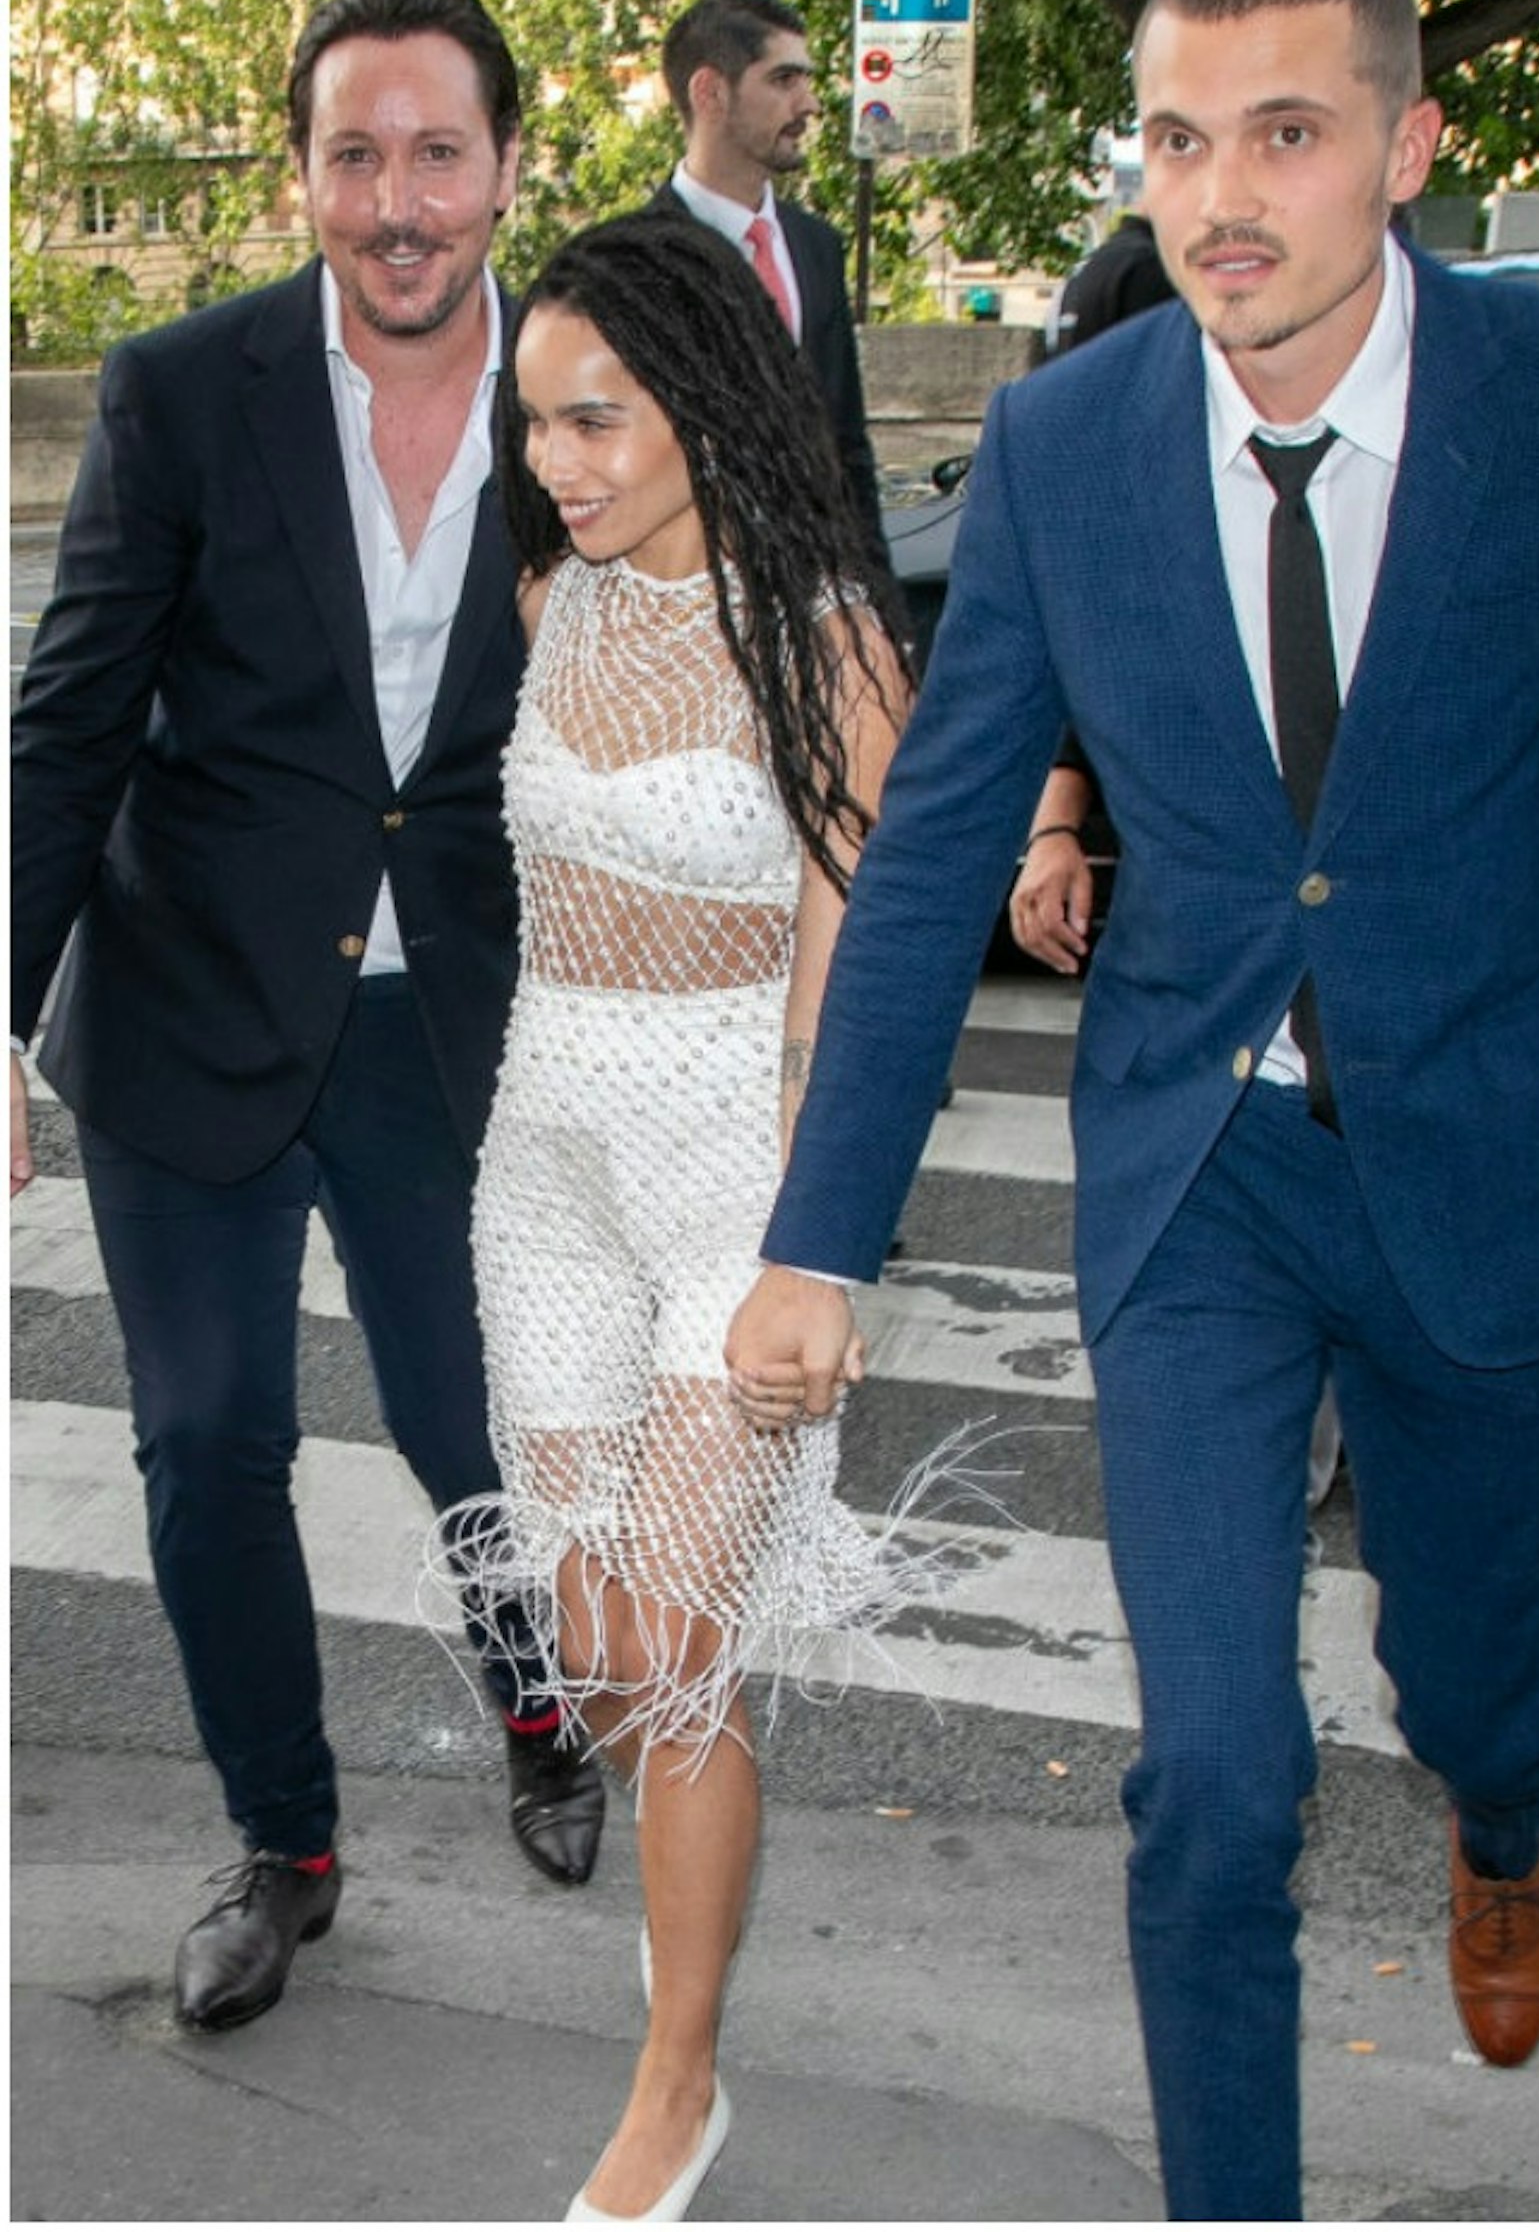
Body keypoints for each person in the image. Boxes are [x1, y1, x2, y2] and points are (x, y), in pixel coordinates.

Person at [721, 0, 1539, 2219]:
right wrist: (818, 1234)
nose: (1218, 199)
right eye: (1179, 138)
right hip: (1199, 1176)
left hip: (1497, 1177)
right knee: (1211, 1773)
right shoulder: (1066, 443)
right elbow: (922, 877)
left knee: (1473, 1677)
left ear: (1405, 143)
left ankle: (1506, 1821)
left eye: (1281, 136)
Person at [7, 0, 603, 2034]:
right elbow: (69, 723)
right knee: (204, 1440)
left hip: (442, 1014)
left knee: (475, 1422)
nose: (400, 197)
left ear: (507, 166)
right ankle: (286, 1841)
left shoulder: (591, 398)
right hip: (187, 1003)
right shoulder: (185, 391)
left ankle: (538, 1705)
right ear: (305, 177)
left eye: (440, 150)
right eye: (357, 154)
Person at [440, 210, 929, 2222]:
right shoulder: (556, 592)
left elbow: (858, 970)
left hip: (731, 1172)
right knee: (596, 1645)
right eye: (536, 419)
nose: (556, 457)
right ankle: (685, 1889)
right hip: (541, 1162)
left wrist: (822, 1246)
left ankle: (679, 2068)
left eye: (596, 415)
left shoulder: (823, 640)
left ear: (703, 404)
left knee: (679, 1645)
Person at [645, 0, 887, 573]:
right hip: (690, 619)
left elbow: (847, 448)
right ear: (711, 93)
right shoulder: (637, 262)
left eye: (805, 80)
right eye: (783, 80)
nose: (808, 103)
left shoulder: (817, 249)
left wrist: (882, 615)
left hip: (818, 608)